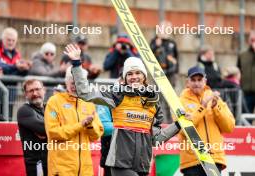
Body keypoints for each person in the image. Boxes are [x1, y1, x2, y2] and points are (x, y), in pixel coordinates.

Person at [65, 44, 181, 176]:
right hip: (120, 164)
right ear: (125, 78)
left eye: (138, 73)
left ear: (144, 76)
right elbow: (85, 93)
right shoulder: (117, 96)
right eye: (129, 74)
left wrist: (177, 125)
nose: (134, 77)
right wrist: (76, 63)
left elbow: (156, 139)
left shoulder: (153, 103)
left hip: (142, 167)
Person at [44, 66, 104, 176]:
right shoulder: (54, 102)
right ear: (66, 83)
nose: (75, 86)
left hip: (85, 171)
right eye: (72, 83)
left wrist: (90, 125)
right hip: (61, 170)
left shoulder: (89, 103)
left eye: (79, 83)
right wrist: (81, 125)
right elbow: (53, 133)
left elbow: (96, 135)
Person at [179, 66, 235, 176]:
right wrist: (203, 106)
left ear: (205, 81)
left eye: (199, 80)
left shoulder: (214, 98)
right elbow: (183, 129)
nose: (197, 83)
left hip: (214, 159)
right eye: (193, 80)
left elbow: (229, 127)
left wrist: (216, 108)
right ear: (187, 82)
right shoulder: (180, 101)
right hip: (192, 161)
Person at [17, 79, 47, 176]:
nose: (35, 93)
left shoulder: (50, 108)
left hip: (53, 162)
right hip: (36, 166)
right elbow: (43, 129)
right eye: (31, 91)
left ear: (44, 90)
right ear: (26, 94)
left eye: (37, 89)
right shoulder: (24, 110)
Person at [237, 30, 255, 113]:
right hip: (247, 93)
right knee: (245, 119)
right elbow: (238, 70)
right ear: (248, 41)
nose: (254, 42)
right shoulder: (243, 54)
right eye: (252, 40)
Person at [96, 105, 113, 176]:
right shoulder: (106, 100)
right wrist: (128, 127)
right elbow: (103, 127)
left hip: (138, 160)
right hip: (113, 159)